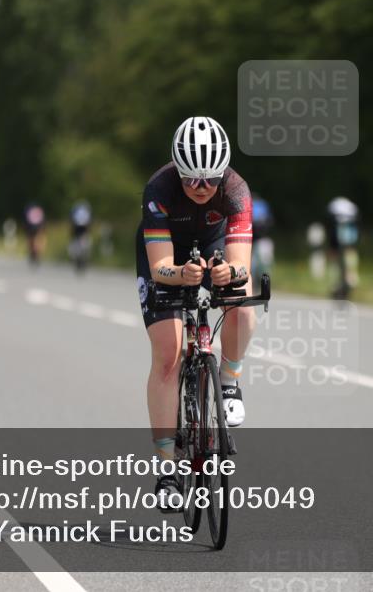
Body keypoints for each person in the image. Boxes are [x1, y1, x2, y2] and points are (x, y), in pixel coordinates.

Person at [135, 116, 254, 510]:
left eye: (209, 179)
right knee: (168, 355)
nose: (201, 188)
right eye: (191, 179)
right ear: (177, 172)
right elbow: (159, 267)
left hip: (214, 241)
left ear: (223, 174)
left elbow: (242, 265)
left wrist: (228, 273)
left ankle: (230, 380)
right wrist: (181, 274)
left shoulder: (236, 191)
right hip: (167, 251)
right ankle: (167, 470)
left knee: (243, 298)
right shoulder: (159, 188)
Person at [325, 196, 359, 299]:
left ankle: (338, 282)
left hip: (338, 231)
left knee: (335, 255)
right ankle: (350, 277)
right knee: (350, 251)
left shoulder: (335, 205)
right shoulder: (350, 207)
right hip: (349, 230)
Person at [251, 193, 274, 285]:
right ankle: (263, 280)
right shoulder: (262, 205)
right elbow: (270, 221)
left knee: (258, 261)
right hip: (260, 238)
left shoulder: (255, 205)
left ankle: (258, 280)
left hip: (255, 238)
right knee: (260, 262)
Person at [68, 201, 92, 272]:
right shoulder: (86, 211)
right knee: (83, 246)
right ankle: (83, 259)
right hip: (82, 230)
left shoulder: (75, 211)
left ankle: (81, 259)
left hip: (79, 230)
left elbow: (71, 221)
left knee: (80, 246)